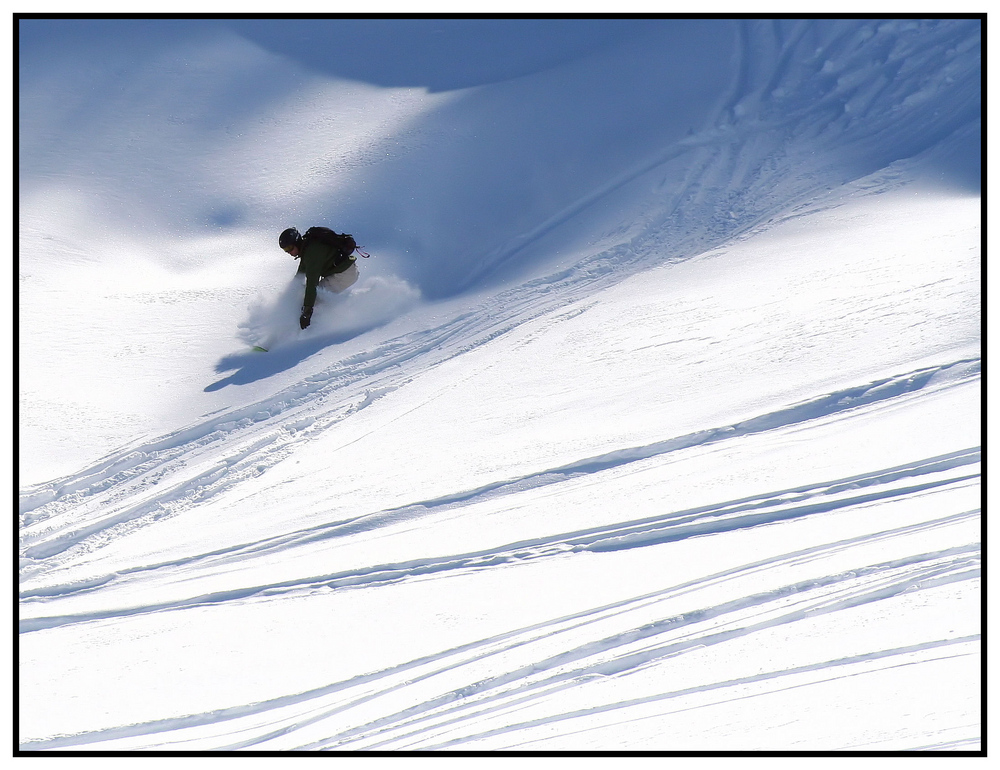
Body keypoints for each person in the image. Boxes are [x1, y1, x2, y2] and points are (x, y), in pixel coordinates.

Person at [279, 227, 360, 329]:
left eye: (290, 248)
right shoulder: (307, 249)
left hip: (345, 274)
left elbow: (312, 283)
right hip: (344, 272)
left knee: (315, 300)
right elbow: (299, 277)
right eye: (285, 250)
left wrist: (307, 312)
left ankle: (315, 329)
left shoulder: (311, 253)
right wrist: (287, 297)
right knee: (305, 297)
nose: (289, 252)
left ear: (296, 242)